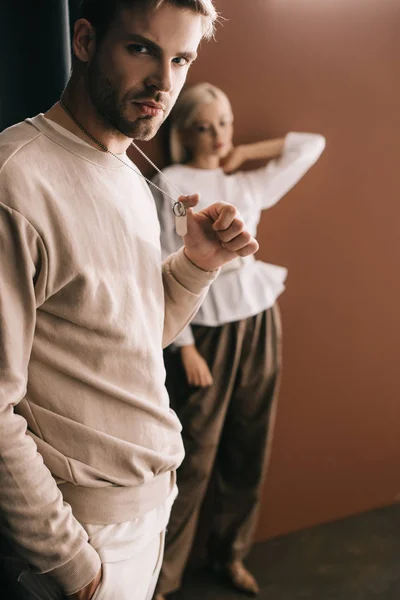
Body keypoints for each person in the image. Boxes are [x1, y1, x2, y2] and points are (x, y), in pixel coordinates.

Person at [0, 3, 261, 600]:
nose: (164, 83)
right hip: (82, 536)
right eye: (142, 49)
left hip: (150, 509)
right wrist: (71, 564)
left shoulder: (125, 170)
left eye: (181, 59)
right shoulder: (15, 178)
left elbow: (138, 340)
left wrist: (196, 265)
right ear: (86, 40)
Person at [152, 82, 326, 598]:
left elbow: (311, 144)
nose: (216, 135)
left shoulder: (248, 184)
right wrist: (183, 349)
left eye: (223, 123)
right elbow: (164, 258)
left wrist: (245, 151)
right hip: (203, 329)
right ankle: (162, 580)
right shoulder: (173, 181)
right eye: (203, 126)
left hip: (260, 320)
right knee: (195, 454)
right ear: (184, 130)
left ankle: (229, 555)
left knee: (250, 445)